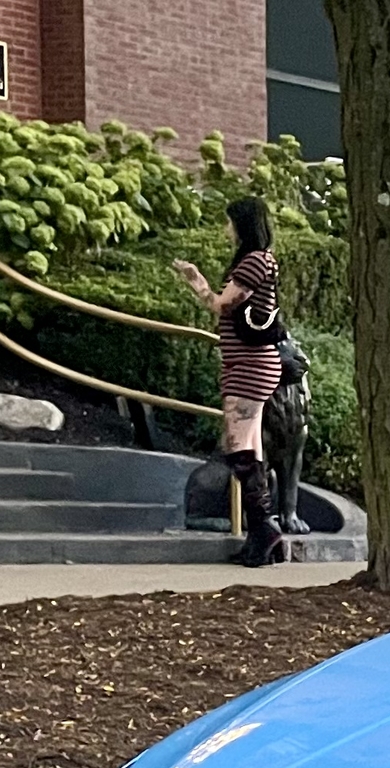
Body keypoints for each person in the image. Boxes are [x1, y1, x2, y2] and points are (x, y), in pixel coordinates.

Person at [172, 198, 284, 567]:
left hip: (249, 367)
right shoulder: (260, 260)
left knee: (238, 448)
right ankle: (264, 536)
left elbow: (222, 305)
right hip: (250, 364)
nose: (226, 229)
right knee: (250, 450)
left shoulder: (254, 261)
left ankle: (264, 529)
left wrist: (197, 282)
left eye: (229, 222)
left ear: (243, 224)